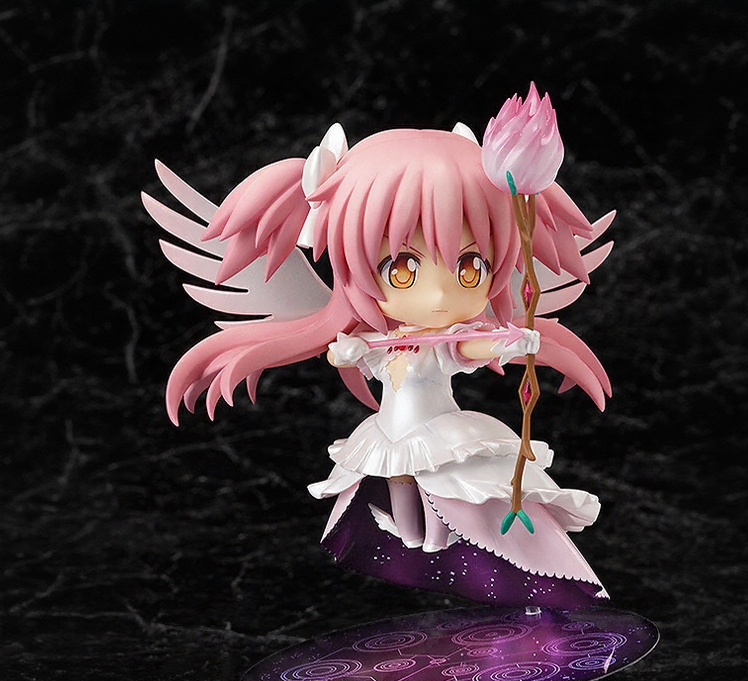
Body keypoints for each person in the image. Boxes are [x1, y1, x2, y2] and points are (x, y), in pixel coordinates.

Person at [143, 122, 615, 609]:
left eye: (470, 268)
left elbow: (470, 349)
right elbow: (347, 350)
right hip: (391, 429)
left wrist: (509, 345)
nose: (439, 295)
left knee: (445, 488)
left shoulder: (444, 340)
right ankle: (412, 540)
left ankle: (453, 545)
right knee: (399, 481)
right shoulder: (384, 340)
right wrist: (347, 350)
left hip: (437, 430)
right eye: (403, 269)